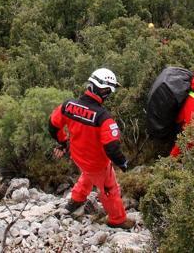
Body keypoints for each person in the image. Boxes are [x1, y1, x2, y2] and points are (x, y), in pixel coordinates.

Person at [48, 68, 135, 230]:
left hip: (78, 157)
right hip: (97, 163)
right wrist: (123, 163)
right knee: (109, 189)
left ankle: (76, 199)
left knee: (87, 175)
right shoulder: (104, 118)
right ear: (105, 91)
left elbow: (53, 125)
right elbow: (112, 148)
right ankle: (118, 220)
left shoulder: (68, 105)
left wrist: (62, 142)